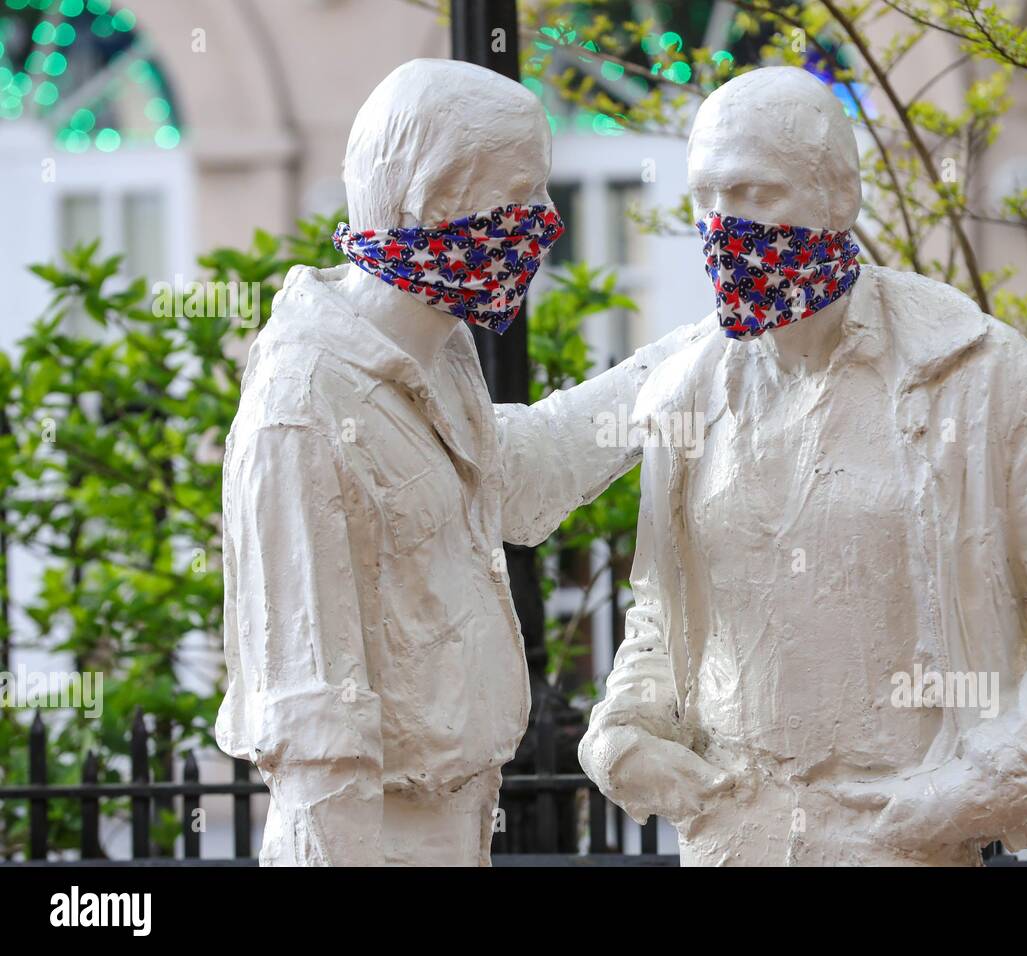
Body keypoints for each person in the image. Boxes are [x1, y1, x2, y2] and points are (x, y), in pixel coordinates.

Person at [579, 66, 1027, 866]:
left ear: (839, 196)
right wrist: (628, 731)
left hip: (904, 834)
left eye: (755, 193)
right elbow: (662, 608)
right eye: (705, 195)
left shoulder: (978, 373)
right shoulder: (689, 390)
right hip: (731, 835)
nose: (723, 225)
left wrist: (977, 790)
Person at [215, 59, 707, 866]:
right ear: (437, 201)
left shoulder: (436, 353)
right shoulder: (303, 408)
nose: (545, 219)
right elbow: (312, 726)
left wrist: (682, 361)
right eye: (524, 191)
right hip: (374, 839)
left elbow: (520, 478)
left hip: (459, 817)